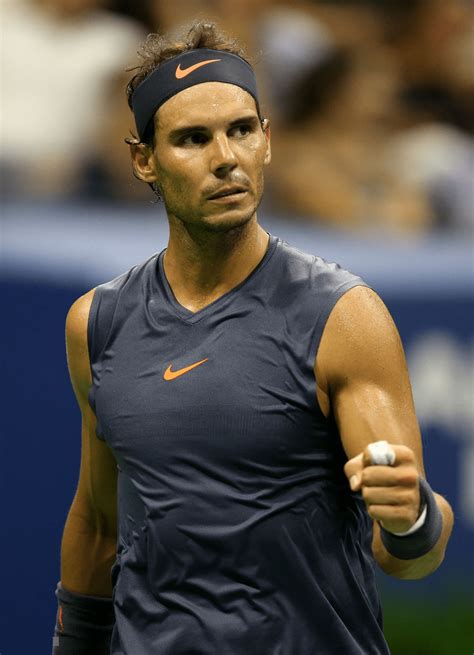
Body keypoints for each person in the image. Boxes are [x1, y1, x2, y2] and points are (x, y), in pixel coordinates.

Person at [53, 21, 454, 655]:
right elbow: (100, 524)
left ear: (267, 140)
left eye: (241, 130)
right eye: (192, 139)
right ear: (143, 160)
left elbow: (407, 552)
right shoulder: (97, 323)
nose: (225, 158)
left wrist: (415, 516)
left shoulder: (345, 317)